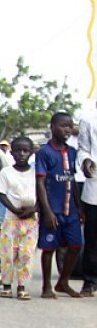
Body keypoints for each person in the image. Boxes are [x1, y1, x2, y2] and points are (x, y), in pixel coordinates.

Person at [36, 112, 83, 299]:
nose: (67, 130)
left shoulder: (72, 152)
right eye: (63, 126)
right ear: (52, 127)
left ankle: (63, 281)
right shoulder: (44, 152)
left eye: (70, 126)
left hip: (70, 210)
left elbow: (73, 180)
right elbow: (40, 183)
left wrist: (79, 208)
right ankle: (46, 286)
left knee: (76, 245)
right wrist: (46, 211)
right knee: (49, 248)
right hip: (53, 210)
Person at [0, 136, 38, 300]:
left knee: (26, 254)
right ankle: (6, 285)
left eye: (25, 151)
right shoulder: (6, 172)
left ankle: (22, 286)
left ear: (31, 152)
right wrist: (15, 209)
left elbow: (41, 193)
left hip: (30, 221)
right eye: (18, 150)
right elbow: (2, 194)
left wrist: (33, 210)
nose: (21, 154)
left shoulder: (35, 173)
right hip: (11, 219)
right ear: (11, 153)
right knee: (8, 254)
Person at [75, 99, 97, 295]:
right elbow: (83, 149)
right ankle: (90, 281)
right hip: (95, 185)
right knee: (92, 237)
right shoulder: (89, 119)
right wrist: (86, 160)